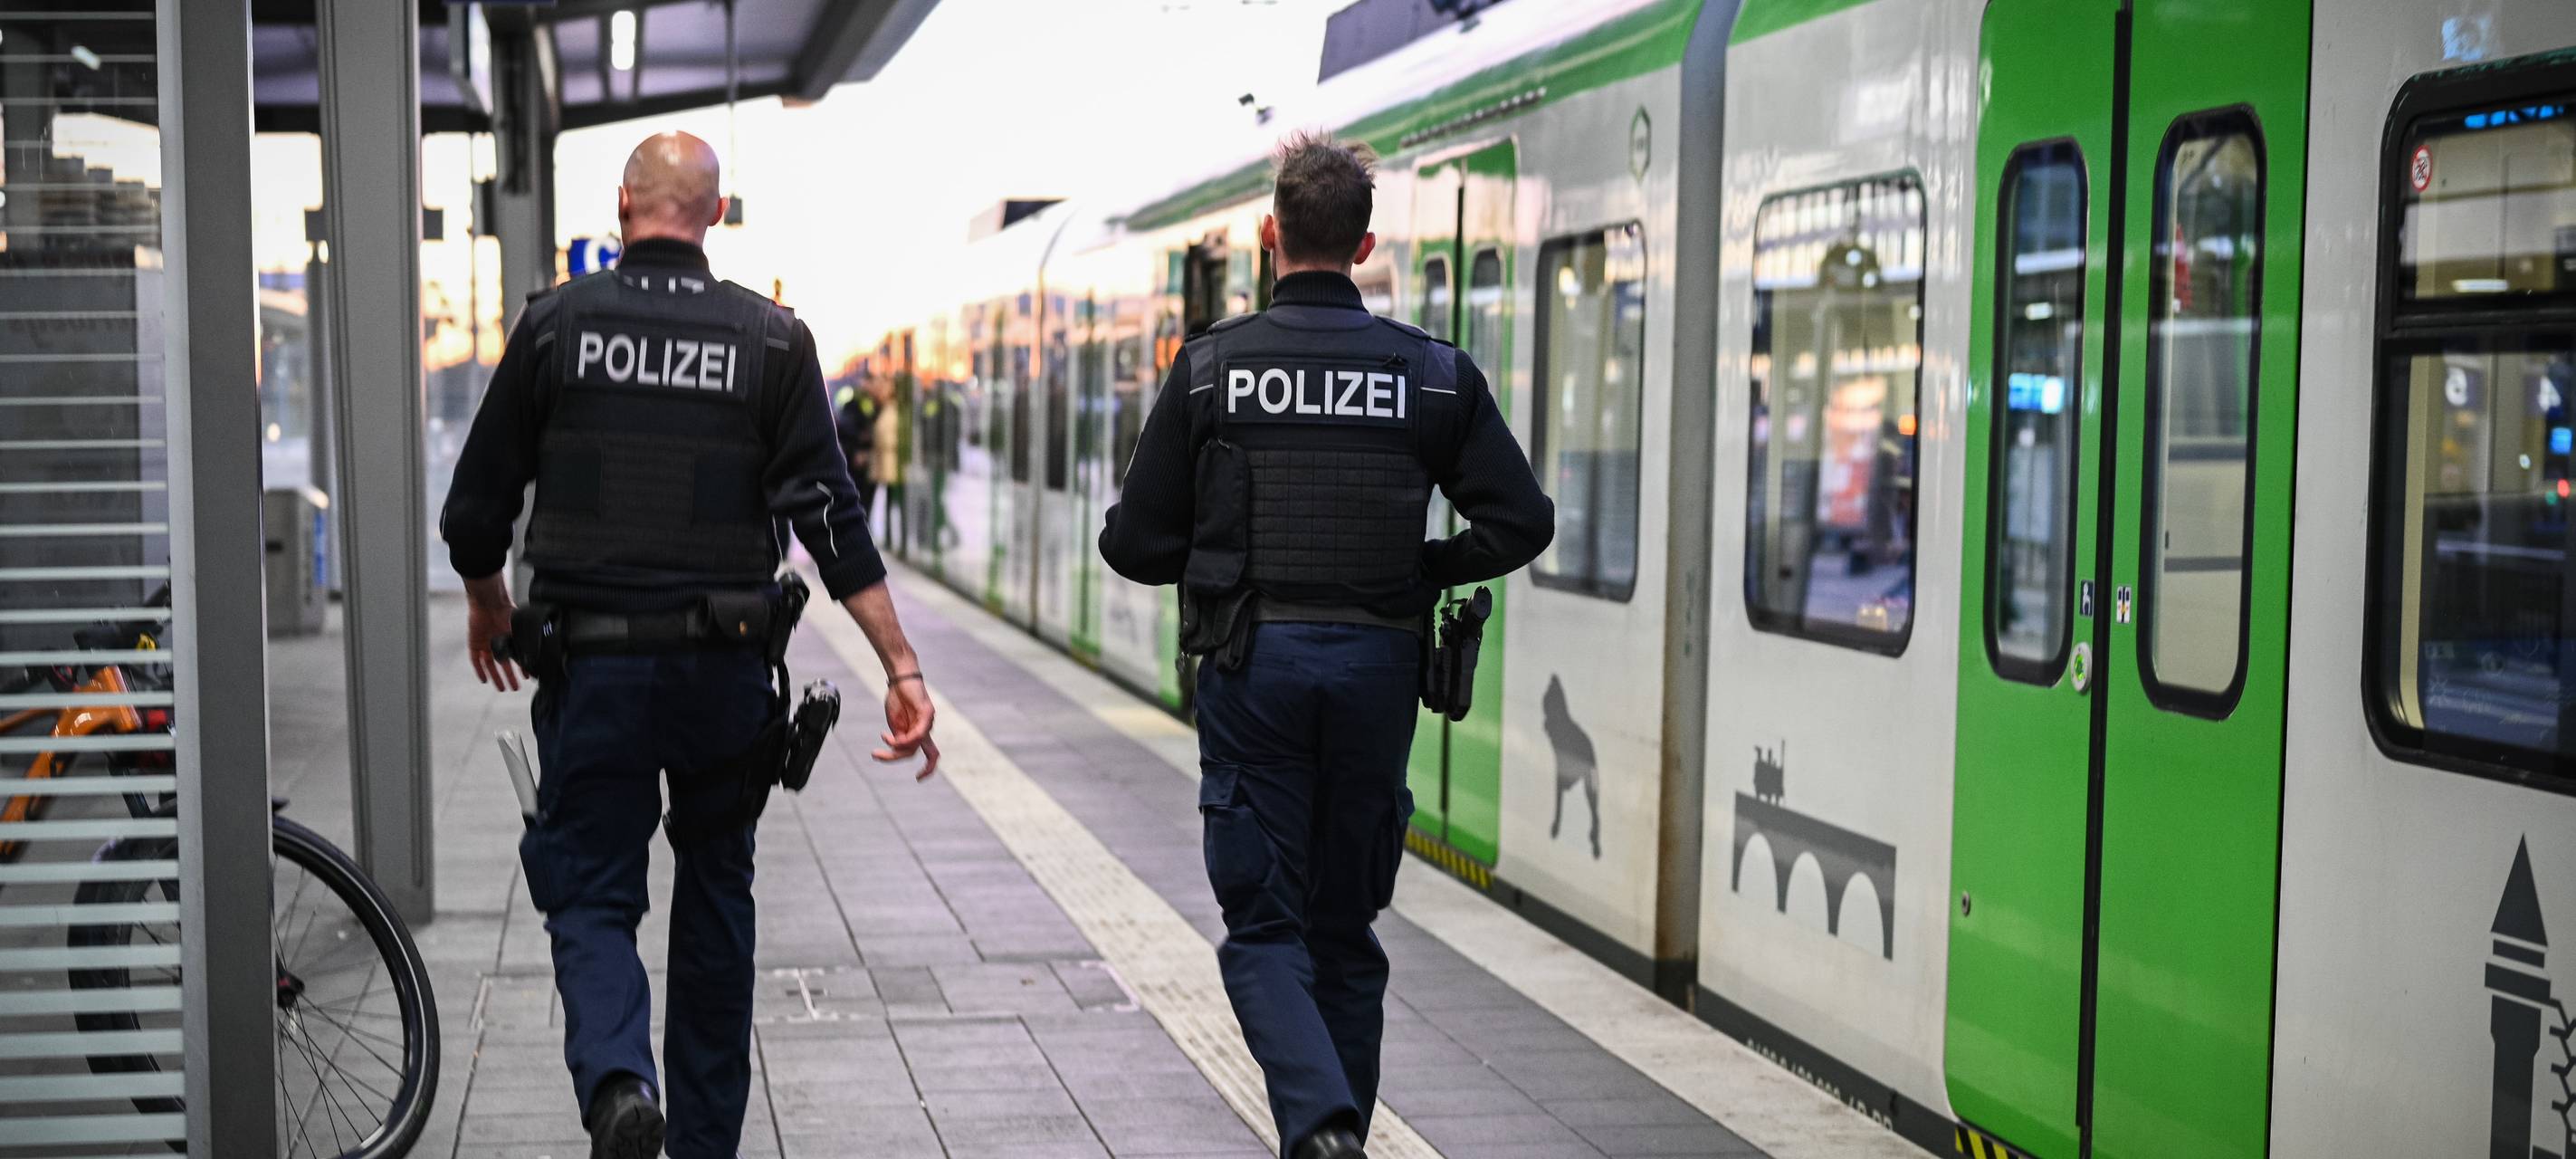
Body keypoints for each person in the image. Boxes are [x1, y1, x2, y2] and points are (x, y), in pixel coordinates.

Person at [440, 130, 941, 1159]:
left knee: (588, 887)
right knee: (717, 889)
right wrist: (900, 662)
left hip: (592, 669)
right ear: (715, 215)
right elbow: (828, 516)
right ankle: (704, 1140)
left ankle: (622, 1083)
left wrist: (490, 603)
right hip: (724, 670)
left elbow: (474, 509)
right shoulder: (770, 343)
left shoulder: (553, 328)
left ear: (622, 204)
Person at [1099, 131, 1553, 1159]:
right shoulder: (1431, 376)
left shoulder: (1211, 370)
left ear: (1269, 236)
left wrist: (1218, 556)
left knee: (1265, 929)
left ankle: (1319, 1130)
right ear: (1364, 244)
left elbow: (1133, 543)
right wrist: (1421, 568)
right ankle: (1337, 1128)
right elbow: (1520, 521)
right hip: (1378, 672)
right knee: (1344, 934)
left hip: (1253, 670)